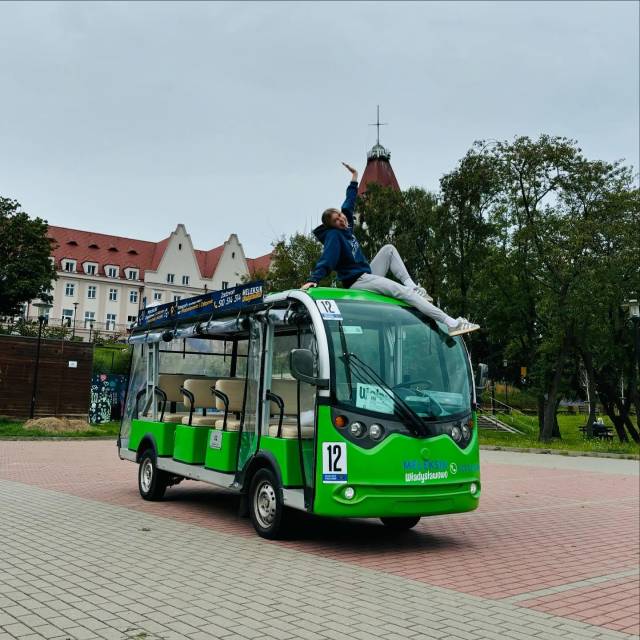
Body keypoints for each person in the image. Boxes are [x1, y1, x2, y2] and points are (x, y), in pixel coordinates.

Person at [301, 162, 480, 337]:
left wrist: (354, 177)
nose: (341, 219)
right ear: (331, 226)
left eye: (339, 216)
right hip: (357, 281)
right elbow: (328, 259)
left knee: (389, 249)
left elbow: (349, 202)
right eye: (336, 220)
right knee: (403, 293)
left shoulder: (346, 224)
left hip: (366, 273)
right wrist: (313, 279)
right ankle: (451, 323)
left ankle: (412, 286)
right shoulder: (334, 236)